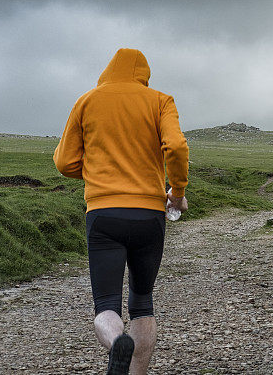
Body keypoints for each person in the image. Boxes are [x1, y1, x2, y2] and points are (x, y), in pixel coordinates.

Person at [53, 48, 189, 375]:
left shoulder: (87, 101)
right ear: (144, 73)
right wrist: (177, 191)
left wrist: (100, 172)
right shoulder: (160, 100)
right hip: (149, 215)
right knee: (142, 303)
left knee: (106, 305)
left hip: (103, 214)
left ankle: (116, 342)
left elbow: (64, 162)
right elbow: (177, 147)